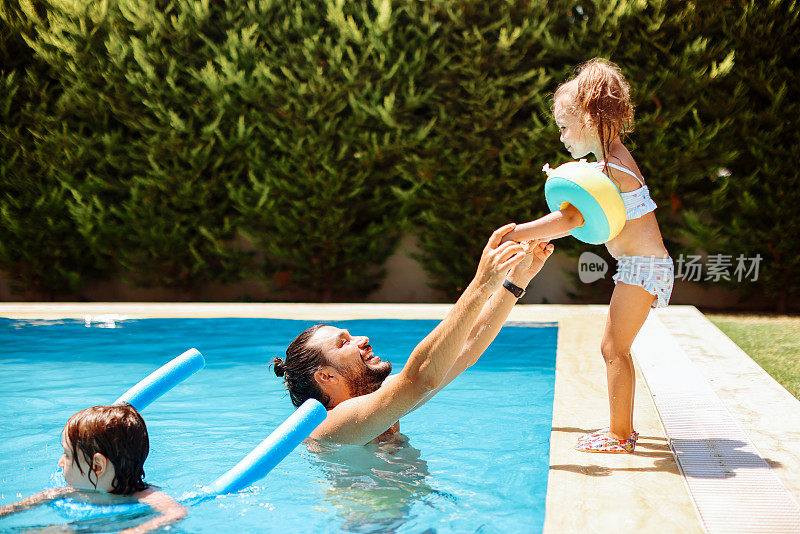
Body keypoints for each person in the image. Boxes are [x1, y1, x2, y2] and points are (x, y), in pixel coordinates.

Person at [502, 58, 673, 453]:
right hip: (640, 266)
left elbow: (570, 218)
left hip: (643, 268)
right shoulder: (611, 159)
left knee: (614, 348)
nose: (561, 137)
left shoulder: (611, 168)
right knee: (615, 347)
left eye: (564, 127)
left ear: (588, 118)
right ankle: (622, 430)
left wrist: (514, 233)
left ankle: (620, 435)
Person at [271, 224, 555, 445]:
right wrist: (480, 285)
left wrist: (517, 279)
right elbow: (420, 378)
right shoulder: (329, 424)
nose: (363, 339)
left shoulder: (382, 399)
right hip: (369, 522)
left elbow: (465, 350)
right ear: (326, 377)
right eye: (344, 342)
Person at [0, 403, 187, 533]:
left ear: (97, 466)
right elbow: (31, 502)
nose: (60, 462)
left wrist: (138, 530)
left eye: (67, 454)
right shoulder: (69, 492)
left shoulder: (144, 495)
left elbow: (176, 512)